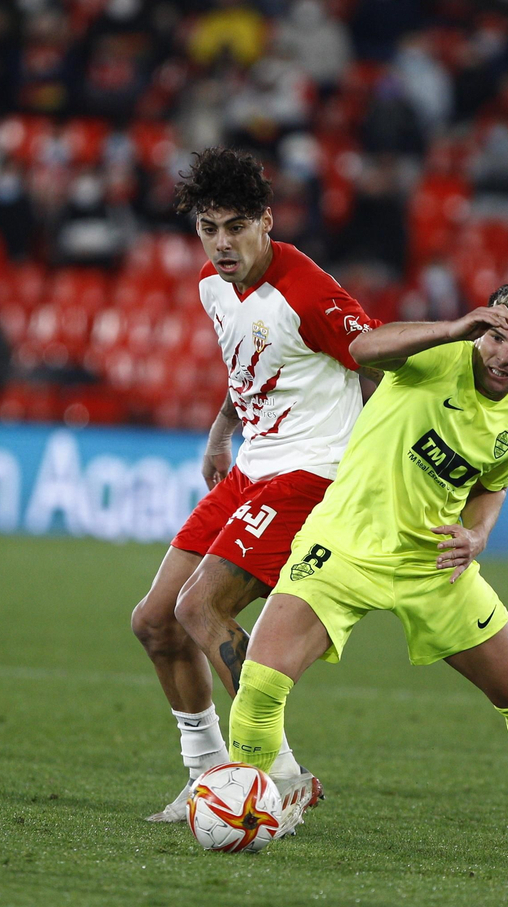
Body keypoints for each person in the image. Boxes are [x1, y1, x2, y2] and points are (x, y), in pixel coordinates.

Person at [227, 286, 508, 854]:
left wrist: (478, 535)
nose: (504, 356)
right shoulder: (435, 353)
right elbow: (363, 350)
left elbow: (491, 487)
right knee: (262, 683)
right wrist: (454, 328)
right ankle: (245, 810)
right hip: (343, 544)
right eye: (496, 337)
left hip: (433, 564)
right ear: (480, 329)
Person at [130, 147, 378, 824]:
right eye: (208, 228)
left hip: (310, 474)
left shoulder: (310, 292)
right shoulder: (214, 285)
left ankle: (282, 774)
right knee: (155, 620)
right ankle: (207, 775)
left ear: (267, 221)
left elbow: (378, 363)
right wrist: (220, 429)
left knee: (200, 607)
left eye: (236, 227)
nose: (222, 243)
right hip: (251, 466)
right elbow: (254, 362)